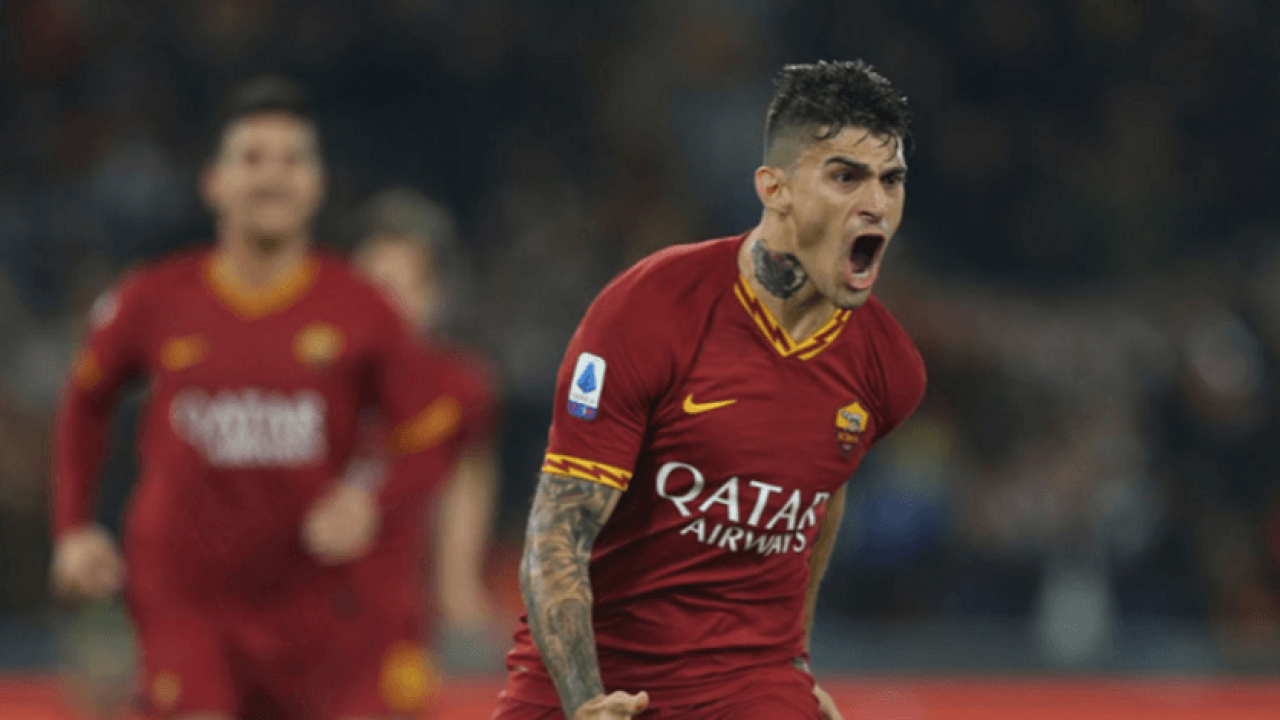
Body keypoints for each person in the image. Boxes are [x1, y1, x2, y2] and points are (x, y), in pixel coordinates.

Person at [492, 60, 927, 720]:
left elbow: (822, 490)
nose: (877, 204)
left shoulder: (888, 368)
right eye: (846, 176)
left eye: (891, 180)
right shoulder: (651, 310)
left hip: (744, 685)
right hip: (591, 676)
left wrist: (796, 664)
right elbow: (557, 531)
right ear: (774, 189)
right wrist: (586, 701)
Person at [50, 76, 461, 720]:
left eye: (291, 160)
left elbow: (430, 434)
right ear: (214, 182)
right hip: (184, 597)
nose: (272, 177)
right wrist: (73, 527)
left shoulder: (361, 307)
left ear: (317, 185)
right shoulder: (153, 298)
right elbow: (85, 401)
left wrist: (370, 501)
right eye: (252, 159)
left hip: (312, 605)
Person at [351, 189, 503, 664]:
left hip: (412, 625)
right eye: (367, 289)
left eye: (398, 289)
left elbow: (466, 480)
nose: (380, 307)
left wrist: (459, 588)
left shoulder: (461, 390)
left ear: (435, 298)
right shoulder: (306, 384)